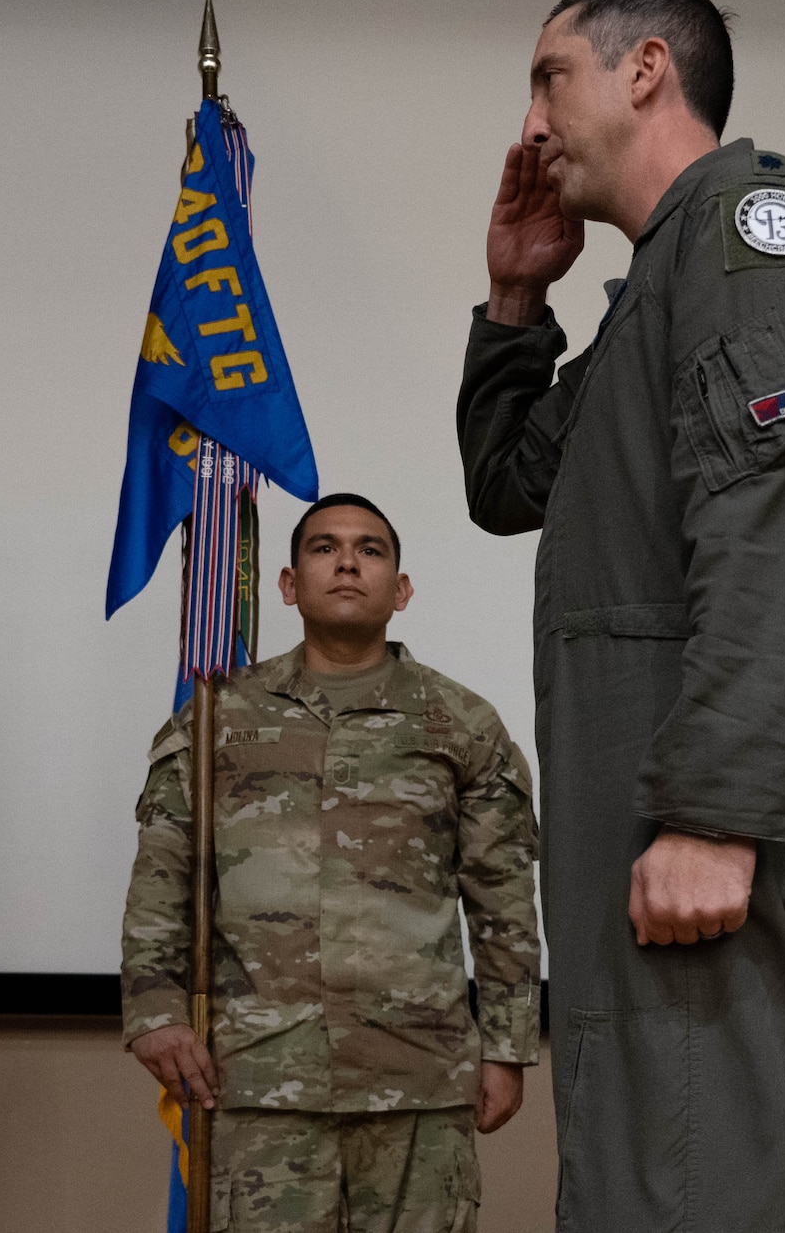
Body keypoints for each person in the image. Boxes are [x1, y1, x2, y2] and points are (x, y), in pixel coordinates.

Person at [456, 0, 785, 1230]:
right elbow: (505, 485)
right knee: (639, 1174)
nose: (529, 124)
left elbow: (773, 527)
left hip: (697, 810)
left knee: (687, 1181)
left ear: (643, 70)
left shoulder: (750, 226)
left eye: (547, 80)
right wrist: (516, 301)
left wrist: (712, 814)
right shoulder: (648, 285)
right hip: (639, 799)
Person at [121, 494, 543, 1233]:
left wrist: (507, 1047)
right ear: (287, 583)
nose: (348, 561)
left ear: (401, 589)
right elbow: (164, 872)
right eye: (324, 547)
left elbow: (503, 898)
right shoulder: (220, 715)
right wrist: (155, 1011)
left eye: (371, 549)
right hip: (259, 1079)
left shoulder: (461, 723)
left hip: (419, 1079)